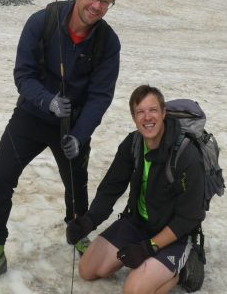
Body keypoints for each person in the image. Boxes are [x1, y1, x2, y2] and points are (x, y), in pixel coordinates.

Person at [0, 0, 123, 293]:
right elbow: (23, 75)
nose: (96, 6)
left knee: (76, 185)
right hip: (32, 117)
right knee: (1, 178)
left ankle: (77, 229)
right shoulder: (43, 22)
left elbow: (100, 97)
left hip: (74, 124)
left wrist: (80, 136)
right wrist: (47, 100)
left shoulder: (108, 43)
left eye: (105, 1)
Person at [66, 85, 205, 294]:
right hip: (138, 223)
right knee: (88, 269)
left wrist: (149, 247)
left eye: (153, 110)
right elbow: (110, 190)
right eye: (140, 112)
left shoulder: (186, 155)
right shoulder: (133, 144)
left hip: (174, 234)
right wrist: (88, 221)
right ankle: (152, 263)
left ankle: (180, 270)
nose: (147, 117)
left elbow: (190, 217)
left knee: (134, 290)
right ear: (133, 117)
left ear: (164, 113)